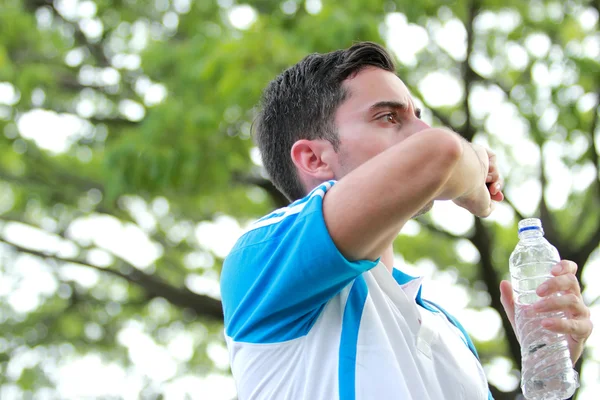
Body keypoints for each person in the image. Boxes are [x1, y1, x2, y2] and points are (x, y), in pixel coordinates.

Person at [219, 42, 592, 400]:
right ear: (314, 159)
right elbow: (439, 152)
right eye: (388, 117)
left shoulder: (446, 328)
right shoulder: (262, 259)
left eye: (418, 117)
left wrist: (548, 367)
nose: (422, 132)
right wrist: (472, 170)